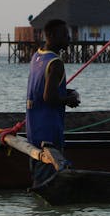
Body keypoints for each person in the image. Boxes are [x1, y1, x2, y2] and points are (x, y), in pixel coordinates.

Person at [26, 19, 80, 186]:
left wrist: (65, 91)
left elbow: (41, 89)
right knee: (47, 178)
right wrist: (69, 100)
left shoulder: (37, 56)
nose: (68, 38)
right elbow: (48, 97)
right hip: (49, 129)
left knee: (38, 171)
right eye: (64, 35)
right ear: (51, 36)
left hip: (33, 128)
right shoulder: (56, 63)